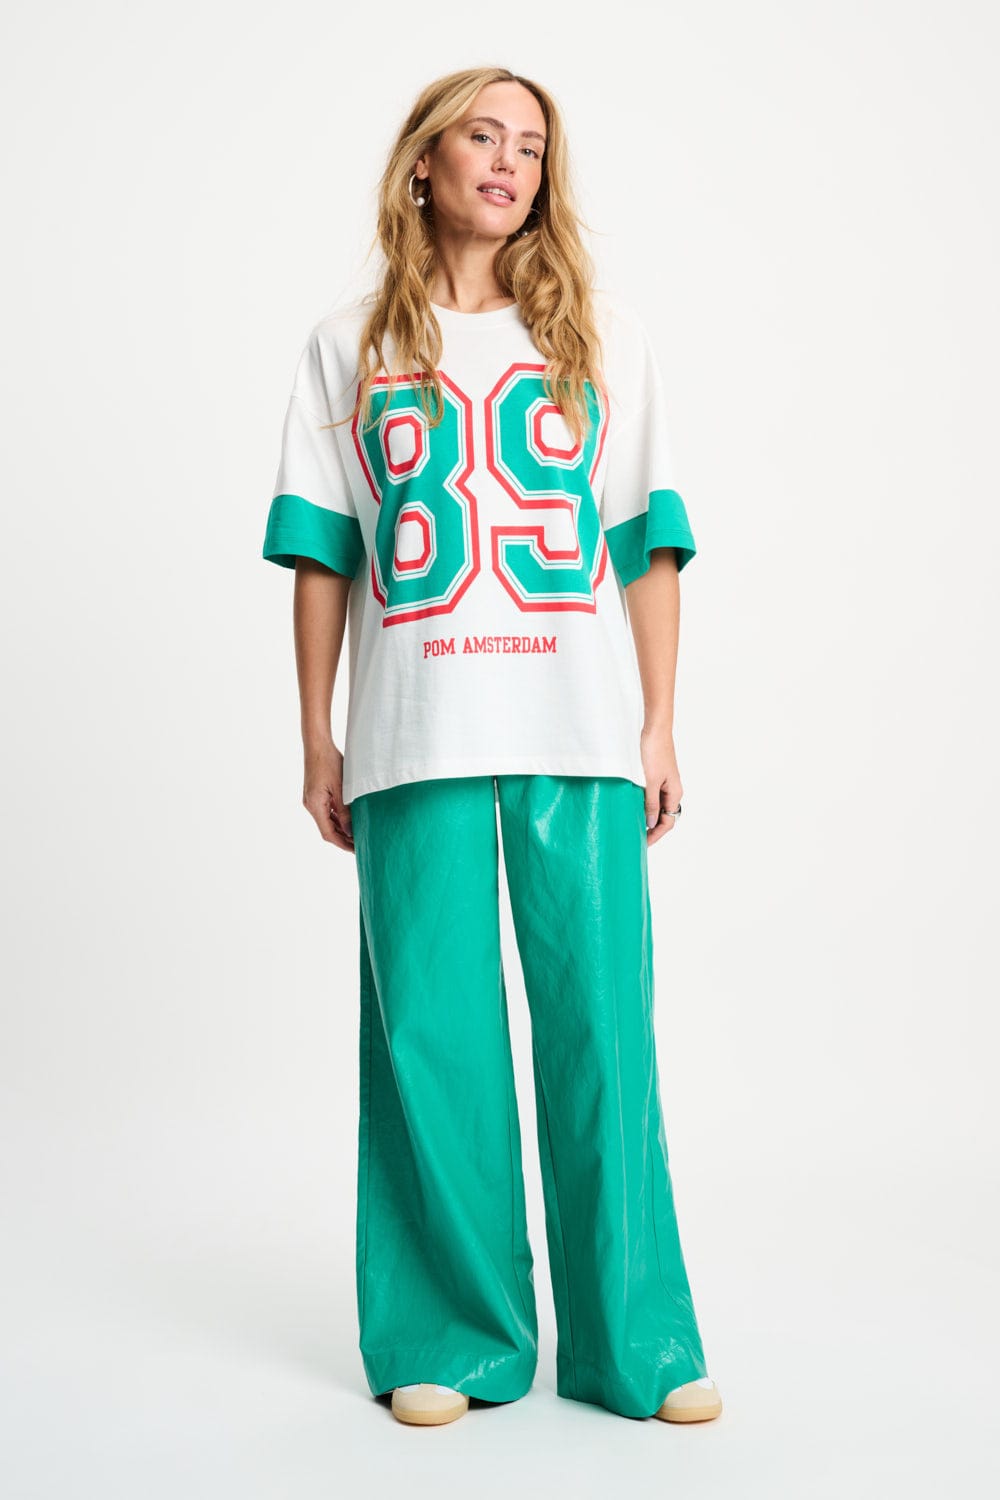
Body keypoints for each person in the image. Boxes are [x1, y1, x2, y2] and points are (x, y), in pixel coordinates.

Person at [261, 65, 723, 1429]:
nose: (509, 162)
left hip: (578, 728)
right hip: (414, 733)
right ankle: (451, 1338)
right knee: (433, 1038)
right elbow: (324, 559)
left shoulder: (604, 340)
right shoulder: (347, 348)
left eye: (531, 144)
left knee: (605, 1033)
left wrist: (660, 723)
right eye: (483, 135)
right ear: (426, 160)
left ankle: (637, 1344)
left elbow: (645, 549)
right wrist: (315, 738)